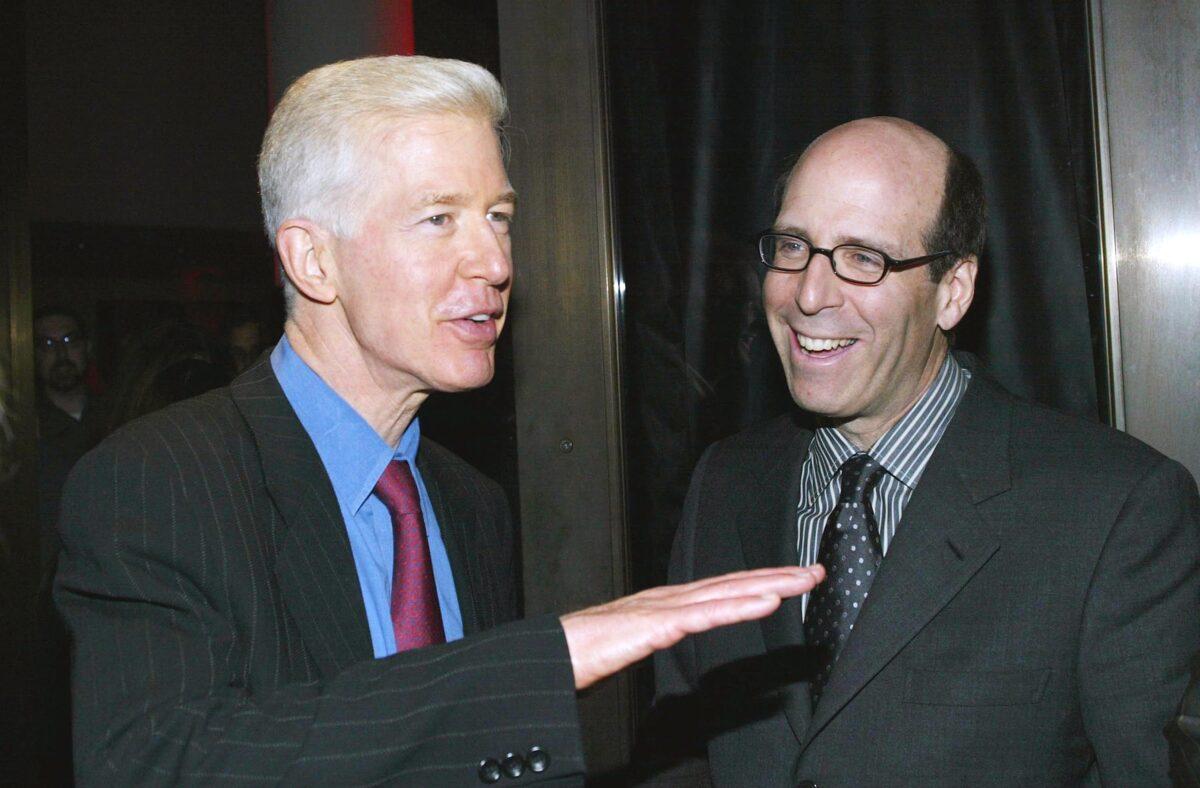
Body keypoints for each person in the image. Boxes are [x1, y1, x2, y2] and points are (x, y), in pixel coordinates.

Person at [53, 56, 823, 786]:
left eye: (498, 216)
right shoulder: (160, 479)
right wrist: (534, 669)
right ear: (313, 261)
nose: (493, 261)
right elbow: (153, 765)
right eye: (437, 219)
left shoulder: (469, 505)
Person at [654, 117, 1200, 785]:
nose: (809, 294)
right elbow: (681, 757)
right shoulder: (726, 483)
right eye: (794, 246)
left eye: (864, 258)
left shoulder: (1113, 508)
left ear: (953, 291)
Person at [32, 307, 105, 545]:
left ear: (87, 348)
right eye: (47, 344)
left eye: (69, 341)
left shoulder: (116, 415)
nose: (61, 354)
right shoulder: (24, 429)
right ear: (33, 355)